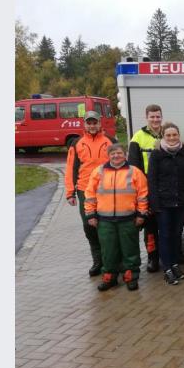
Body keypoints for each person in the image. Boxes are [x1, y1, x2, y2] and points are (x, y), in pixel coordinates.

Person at [84, 144, 149, 292]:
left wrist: (141, 214)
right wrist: (91, 214)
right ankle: (109, 277)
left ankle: (131, 277)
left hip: (128, 219)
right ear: (109, 155)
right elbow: (90, 194)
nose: (116, 156)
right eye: (113, 153)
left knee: (130, 249)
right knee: (108, 250)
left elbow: (143, 195)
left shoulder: (135, 172)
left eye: (119, 153)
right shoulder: (98, 172)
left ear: (125, 154)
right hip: (104, 220)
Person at [147, 122, 184, 286]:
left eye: (174, 135)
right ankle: (167, 268)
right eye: (168, 135)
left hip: (181, 203)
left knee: (177, 234)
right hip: (163, 204)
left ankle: (175, 264)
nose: (171, 138)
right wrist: (154, 204)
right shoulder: (156, 155)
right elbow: (152, 181)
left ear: (179, 136)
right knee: (165, 235)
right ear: (163, 136)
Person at [64, 111, 113, 277]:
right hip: (85, 190)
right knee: (89, 225)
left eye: (95, 122)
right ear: (84, 125)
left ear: (100, 123)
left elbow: (120, 164)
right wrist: (70, 193)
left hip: (107, 189)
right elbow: (71, 168)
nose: (92, 126)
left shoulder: (110, 141)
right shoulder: (76, 143)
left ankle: (111, 262)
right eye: (89, 123)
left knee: (107, 226)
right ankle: (97, 261)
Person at [127, 104, 163, 273]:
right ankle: (152, 258)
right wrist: (142, 195)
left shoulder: (167, 134)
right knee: (150, 228)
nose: (155, 120)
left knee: (167, 225)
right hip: (147, 189)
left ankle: (174, 254)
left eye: (158, 116)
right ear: (146, 117)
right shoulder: (137, 138)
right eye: (152, 117)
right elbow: (134, 169)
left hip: (164, 188)